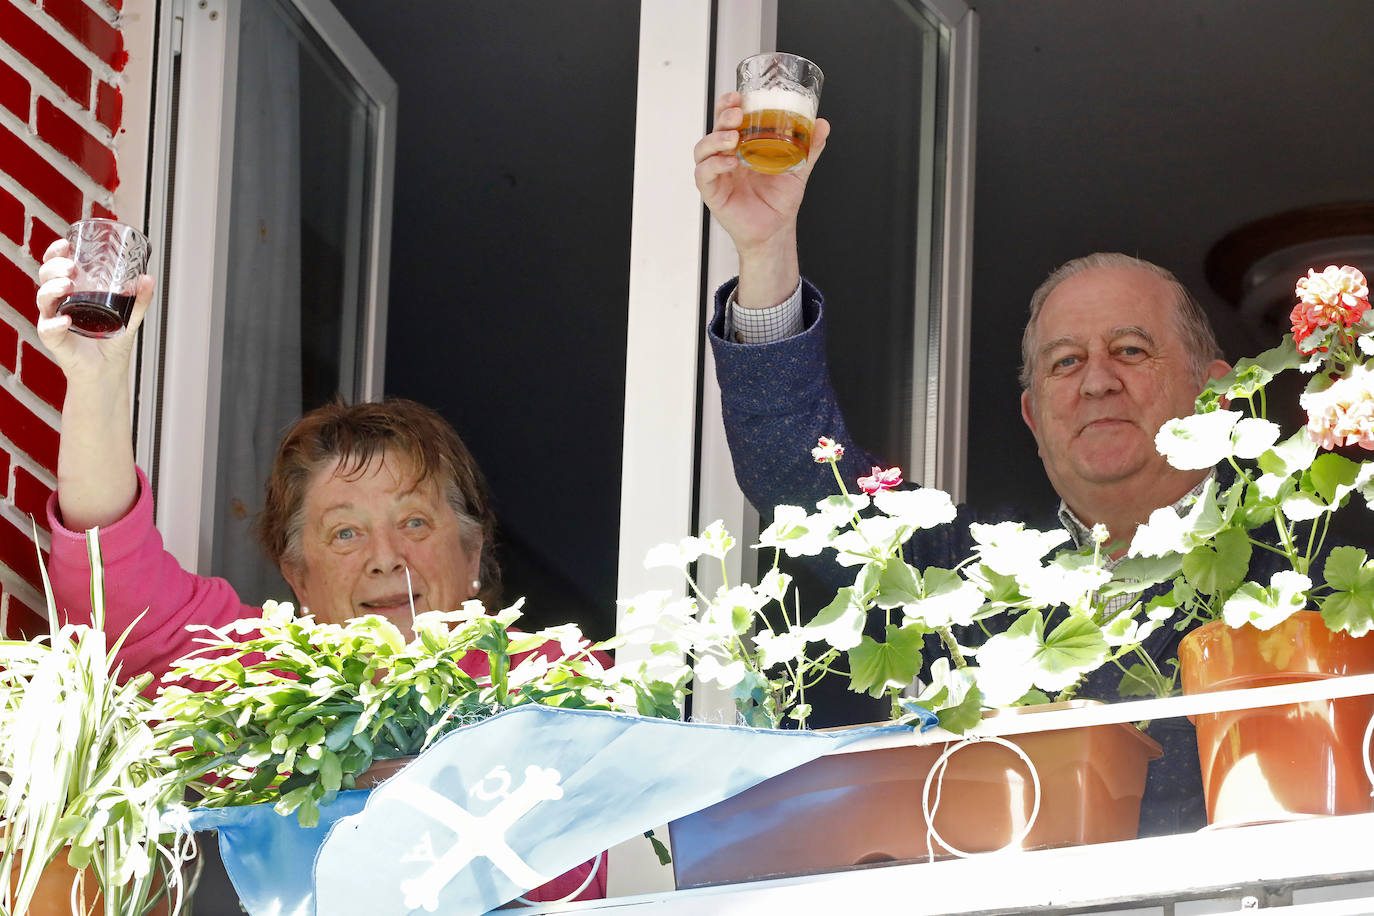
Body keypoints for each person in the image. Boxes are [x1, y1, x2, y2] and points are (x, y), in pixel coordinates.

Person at [692, 91, 1259, 836]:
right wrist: (765, 250)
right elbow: (795, 479)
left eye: (1130, 350)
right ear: (1033, 417)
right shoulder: (963, 575)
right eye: (1064, 362)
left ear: (1214, 394)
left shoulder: (1296, 567)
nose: (1096, 381)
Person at [34, 239, 604, 903]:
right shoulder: (260, 677)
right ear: (299, 580)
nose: (386, 556)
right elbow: (111, 582)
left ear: (473, 554)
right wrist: (96, 379)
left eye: (414, 523)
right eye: (345, 533)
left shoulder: (556, 685)